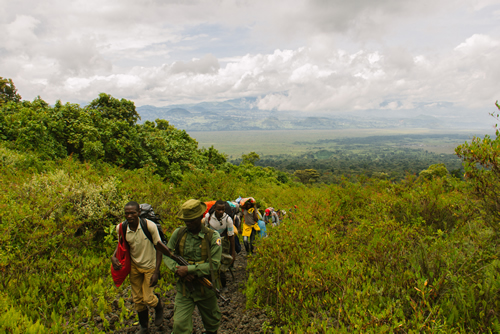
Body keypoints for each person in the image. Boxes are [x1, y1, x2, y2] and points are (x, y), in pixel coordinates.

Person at [163, 199, 222, 334]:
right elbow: (167, 254)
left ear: (200, 217)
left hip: (206, 288)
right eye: (186, 220)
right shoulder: (179, 234)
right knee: (179, 326)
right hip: (185, 290)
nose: (188, 223)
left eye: (191, 220)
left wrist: (189, 269)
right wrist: (177, 270)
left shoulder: (213, 237)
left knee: (212, 324)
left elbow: (214, 265)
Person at [111, 201, 167, 334]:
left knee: (148, 298)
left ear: (139, 213)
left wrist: (156, 271)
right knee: (137, 300)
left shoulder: (149, 226)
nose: (129, 216)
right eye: (127, 213)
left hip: (149, 266)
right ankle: (144, 326)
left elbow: (159, 248)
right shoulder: (122, 228)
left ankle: (158, 307)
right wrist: (113, 257)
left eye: (133, 213)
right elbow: (121, 245)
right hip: (135, 267)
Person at [204, 200, 236, 288]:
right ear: (214, 209)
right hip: (211, 241)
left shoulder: (228, 219)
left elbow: (231, 236)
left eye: (223, 210)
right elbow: (206, 231)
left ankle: (221, 283)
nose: (221, 212)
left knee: (222, 262)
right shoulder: (208, 217)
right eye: (219, 210)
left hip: (223, 241)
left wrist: (233, 253)